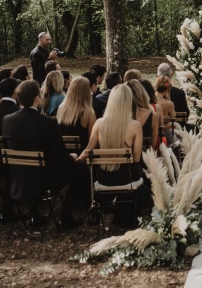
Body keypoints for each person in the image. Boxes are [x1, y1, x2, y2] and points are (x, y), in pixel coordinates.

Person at [2, 80, 86, 230]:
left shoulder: (7, 120)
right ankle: (65, 217)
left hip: (18, 176)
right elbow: (61, 158)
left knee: (31, 169)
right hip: (45, 179)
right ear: (36, 98)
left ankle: (35, 215)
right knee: (81, 169)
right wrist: (72, 158)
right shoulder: (47, 123)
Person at [77, 84, 150, 223]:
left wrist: (78, 159)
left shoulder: (99, 123)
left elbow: (88, 150)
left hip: (104, 176)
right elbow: (136, 158)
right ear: (129, 101)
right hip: (127, 179)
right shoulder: (135, 126)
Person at [56, 76, 96, 150]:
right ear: (86, 91)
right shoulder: (88, 113)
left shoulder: (61, 108)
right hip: (81, 155)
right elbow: (92, 140)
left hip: (64, 153)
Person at [127, 80, 159, 149]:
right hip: (145, 156)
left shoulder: (121, 114)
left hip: (126, 155)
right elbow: (153, 144)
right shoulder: (153, 116)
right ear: (142, 94)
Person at [154, 75, 177, 142]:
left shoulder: (150, 100)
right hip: (164, 131)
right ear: (168, 89)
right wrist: (168, 97)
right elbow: (173, 117)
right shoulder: (169, 104)